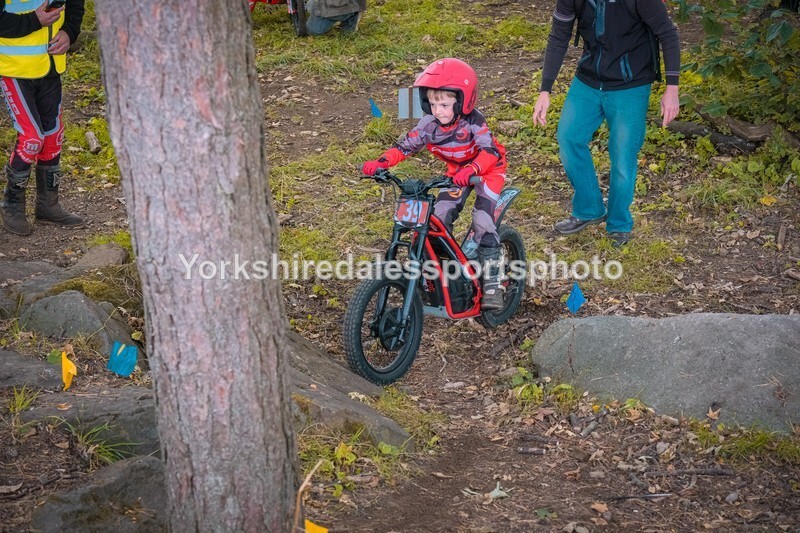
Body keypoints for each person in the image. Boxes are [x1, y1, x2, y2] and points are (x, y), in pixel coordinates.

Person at [362, 58, 508, 309]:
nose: (438, 110)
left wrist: (473, 169)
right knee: (438, 217)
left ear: (463, 102)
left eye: (444, 105)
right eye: (432, 104)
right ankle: (443, 273)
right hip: (457, 173)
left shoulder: (474, 122)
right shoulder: (428, 125)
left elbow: (490, 151)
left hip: (487, 171)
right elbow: (405, 146)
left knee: (483, 220)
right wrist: (381, 163)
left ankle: (493, 282)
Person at [532, 0, 680, 247]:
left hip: (630, 84)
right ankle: (589, 208)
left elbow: (668, 34)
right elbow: (558, 37)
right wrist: (545, 90)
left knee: (622, 154)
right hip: (588, 80)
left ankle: (619, 224)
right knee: (569, 137)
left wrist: (672, 88)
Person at [0, 0, 85, 236]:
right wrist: (33, 21)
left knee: (53, 137)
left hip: (50, 66)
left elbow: (76, 4)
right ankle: (12, 205)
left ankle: (48, 206)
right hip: (13, 69)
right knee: (31, 138)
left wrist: (69, 32)